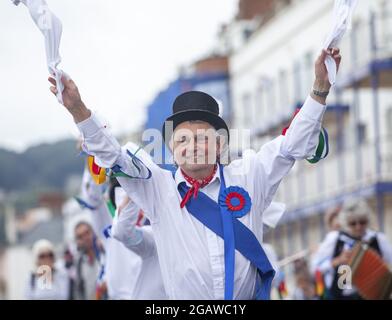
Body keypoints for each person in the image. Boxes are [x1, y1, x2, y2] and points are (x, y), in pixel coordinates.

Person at [48, 48, 341, 300]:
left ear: (219, 145)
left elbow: (293, 145)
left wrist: (319, 89)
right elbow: (114, 156)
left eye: (202, 137)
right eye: (182, 140)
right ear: (172, 149)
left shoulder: (251, 172)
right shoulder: (157, 187)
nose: (193, 146)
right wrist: (78, 110)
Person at [78, 168, 166, 299]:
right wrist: (92, 157)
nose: (126, 188)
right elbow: (93, 198)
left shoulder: (158, 217)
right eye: (120, 183)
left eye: (130, 181)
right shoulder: (107, 220)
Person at [310, 199, 392, 299]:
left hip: (373, 295)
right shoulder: (335, 239)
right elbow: (315, 267)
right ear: (345, 223)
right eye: (353, 223)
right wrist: (336, 261)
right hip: (342, 296)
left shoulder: (378, 239)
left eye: (362, 222)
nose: (358, 227)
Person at [73, 221, 104, 300]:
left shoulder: (105, 253)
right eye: (80, 237)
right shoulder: (79, 262)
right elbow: (79, 290)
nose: (85, 238)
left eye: (87, 233)